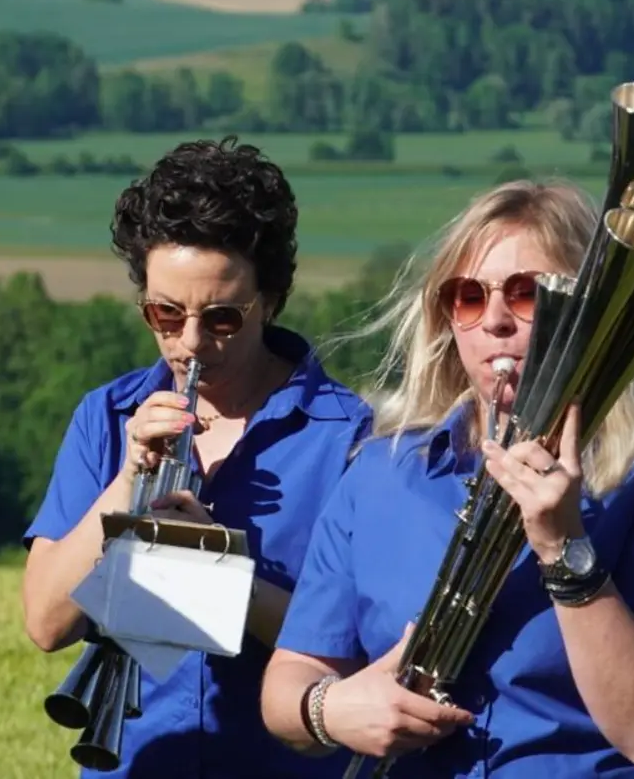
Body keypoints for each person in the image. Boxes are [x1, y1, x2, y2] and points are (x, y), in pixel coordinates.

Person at [261, 179, 634, 776]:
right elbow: (292, 676)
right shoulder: (382, 473)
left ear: (588, 311)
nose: (494, 320)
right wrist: (330, 709)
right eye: (467, 297)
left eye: (527, 293)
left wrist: (562, 545)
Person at [21, 137, 375, 778]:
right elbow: (47, 622)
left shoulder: (352, 439)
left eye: (221, 318)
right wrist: (129, 482)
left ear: (269, 299)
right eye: (164, 312)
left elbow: (361, 651)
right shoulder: (106, 416)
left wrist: (216, 574)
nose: (188, 342)